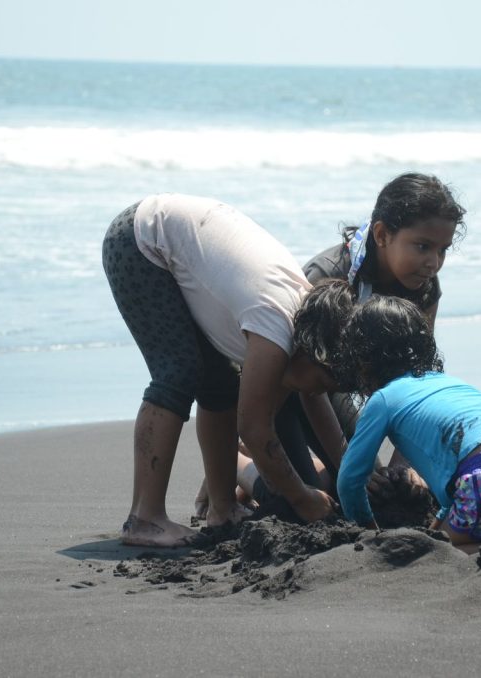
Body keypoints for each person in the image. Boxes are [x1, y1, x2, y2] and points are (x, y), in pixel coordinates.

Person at [102, 194, 344, 547]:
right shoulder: (276, 326)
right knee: (178, 373)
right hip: (140, 242)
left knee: (220, 386)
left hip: (178, 243)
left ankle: (223, 508)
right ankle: (144, 518)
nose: (315, 391)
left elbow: (302, 398)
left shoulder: (314, 324)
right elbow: (254, 428)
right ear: (311, 355)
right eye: (322, 380)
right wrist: (302, 497)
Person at [228, 173, 466, 509]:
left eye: (443, 250)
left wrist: (405, 462)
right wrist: (349, 464)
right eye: (423, 246)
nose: (434, 262)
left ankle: (295, 466)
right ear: (382, 234)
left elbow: (416, 378)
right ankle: (232, 465)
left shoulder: (424, 287)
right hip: (291, 387)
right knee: (296, 499)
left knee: (377, 491)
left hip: (337, 386)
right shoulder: (327, 277)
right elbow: (308, 387)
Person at [302, 281, 481, 548]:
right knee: (457, 525)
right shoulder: (447, 382)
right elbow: (458, 478)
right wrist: (439, 522)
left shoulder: (383, 399)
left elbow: (349, 481)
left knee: (446, 551)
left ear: (360, 359)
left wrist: (368, 532)